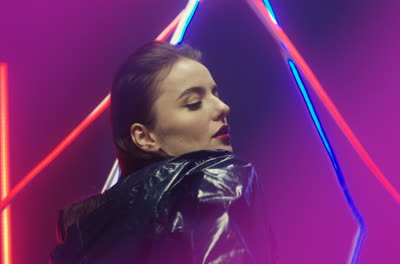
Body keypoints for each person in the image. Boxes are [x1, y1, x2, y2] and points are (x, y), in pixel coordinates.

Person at [49, 41, 277, 263]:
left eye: (215, 94)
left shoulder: (84, 234)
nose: (222, 107)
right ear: (145, 137)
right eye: (194, 103)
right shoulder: (217, 178)